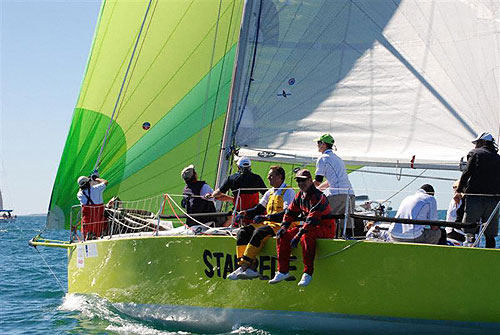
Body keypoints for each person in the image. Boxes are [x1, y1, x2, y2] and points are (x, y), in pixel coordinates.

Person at [269, 169, 336, 287]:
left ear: (310, 181)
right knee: (283, 235)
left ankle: (308, 272)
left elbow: (312, 220)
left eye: (303, 180)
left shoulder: (318, 197)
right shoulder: (299, 195)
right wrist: (284, 227)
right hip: (309, 227)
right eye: (298, 180)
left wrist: (298, 236)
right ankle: (283, 271)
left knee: (306, 235)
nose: (301, 183)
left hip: (325, 227)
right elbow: (290, 213)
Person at [227, 166, 296, 280]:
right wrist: (245, 213)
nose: (268, 178)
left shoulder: (288, 192)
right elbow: (258, 208)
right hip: (269, 223)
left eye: (271, 175)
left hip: (282, 225)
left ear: (280, 177)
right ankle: (250, 266)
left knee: (259, 232)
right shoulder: (270, 192)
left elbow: (286, 213)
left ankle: (244, 267)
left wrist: (267, 217)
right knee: (243, 231)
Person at [457, 132, 500, 248]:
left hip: (475, 198)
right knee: (490, 234)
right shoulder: (498, 158)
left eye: (477, 143)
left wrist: (459, 190)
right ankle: (489, 256)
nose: (475, 145)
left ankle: (470, 253)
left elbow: (467, 173)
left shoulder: (474, 153)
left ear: (483, 142)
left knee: (470, 229)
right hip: (494, 200)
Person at [313, 134, 356, 237]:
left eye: (318, 143)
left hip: (337, 195)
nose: (317, 145)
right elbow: (329, 182)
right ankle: (347, 241)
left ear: (323, 144)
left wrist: (306, 189)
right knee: (346, 223)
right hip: (350, 194)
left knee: (321, 215)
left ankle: (325, 239)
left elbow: (318, 180)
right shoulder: (338, 159)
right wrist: (318, 189)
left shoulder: (323, 158)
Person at [207, 156, 267, 225]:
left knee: (227, 223)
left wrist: (211, 195)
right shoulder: (257, 178)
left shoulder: (232, 178)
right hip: (254, 213)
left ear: (238, 167)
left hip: (239, 213)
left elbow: (218, 193)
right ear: (250, 166)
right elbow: (266, 194)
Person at [77, 173, 108, 239]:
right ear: (88, 182)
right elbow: (105, 182)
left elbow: (81, 190)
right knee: (103, 221)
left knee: (88, 226)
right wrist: (95, 179)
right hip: (98, 219)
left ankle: (89, 235)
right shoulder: (97, 189)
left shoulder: (79, 194)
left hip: (88, 221)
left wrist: (88, 180)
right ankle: (99, 235)